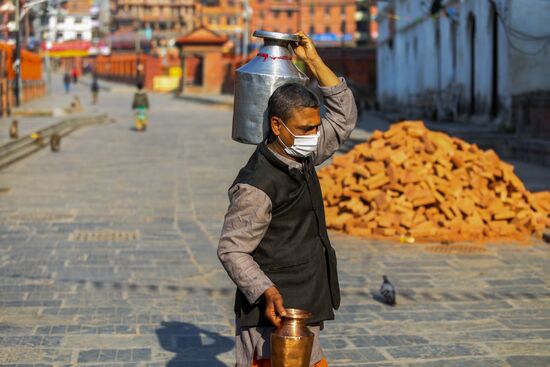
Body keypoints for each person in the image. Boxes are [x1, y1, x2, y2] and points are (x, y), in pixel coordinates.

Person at [217, 31, 357, 367]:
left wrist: (312, 60)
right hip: (270, 318)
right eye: (305, 128)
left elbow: (343, 118)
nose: (314, 135)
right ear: (277, 126)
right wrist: (267, 291)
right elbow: (232, 249)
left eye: (315, 127)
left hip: (302, 304)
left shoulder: (302, 154)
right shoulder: (256, 186)